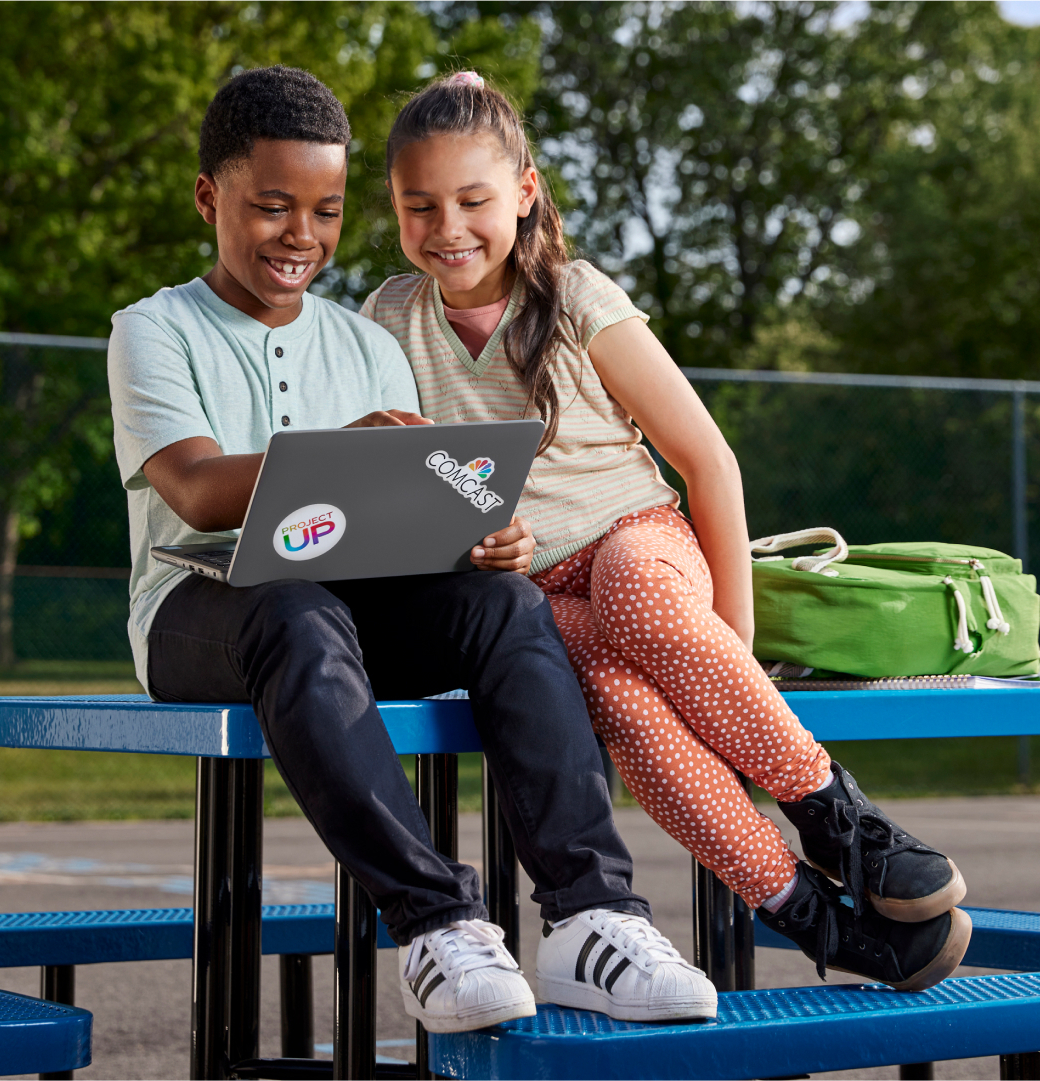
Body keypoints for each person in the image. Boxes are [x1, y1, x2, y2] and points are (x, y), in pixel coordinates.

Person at [107, 66, 716, 1031]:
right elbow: (193, 486)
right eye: (271, 207)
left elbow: (422, 504)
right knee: (294, 610)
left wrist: (484, 535)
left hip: (341, 608)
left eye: (326, 211)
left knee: (506, 606)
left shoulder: (366, 343)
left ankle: (591, 918)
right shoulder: (154, 330)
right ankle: (438, 925)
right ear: (208, 197)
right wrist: (337, 452)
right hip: (202, 612)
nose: (300, 236)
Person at [361, 72, 972, 991]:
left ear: (524, 193)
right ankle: (813, 919)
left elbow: (708, 462)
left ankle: (846, 825)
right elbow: (409, 494)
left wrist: (734, 644)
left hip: (633, 541)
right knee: (632, 718)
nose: (447, 226)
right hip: (523, 594)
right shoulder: (386, 320)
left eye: (473, 200)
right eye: (420, 205)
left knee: (642, 604)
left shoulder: (574, 297)